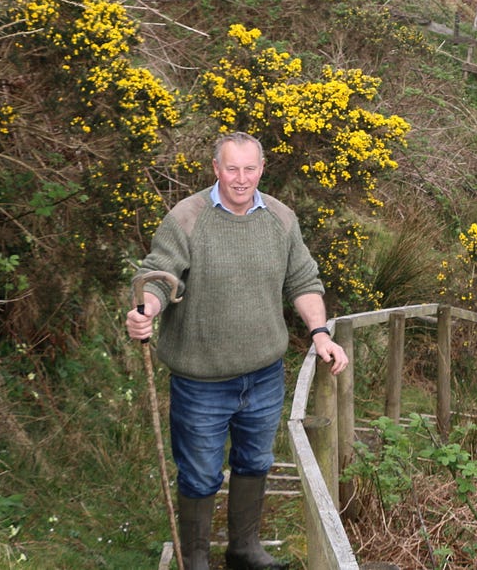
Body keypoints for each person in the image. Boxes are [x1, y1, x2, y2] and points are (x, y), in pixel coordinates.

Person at [127, 131, 348, 570]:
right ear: (216, 169)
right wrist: (145, 309)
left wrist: (320, 333)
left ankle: (243, 549)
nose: (241, 178)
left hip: (264, 375)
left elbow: (303, 281)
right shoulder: (186, 218)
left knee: (256, 461)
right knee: (200, 474)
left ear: (262, 169)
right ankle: (195, 559)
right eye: (232, 168)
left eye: (250, 169)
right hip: (201, 380)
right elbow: (160, 276)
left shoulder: (281, 219)